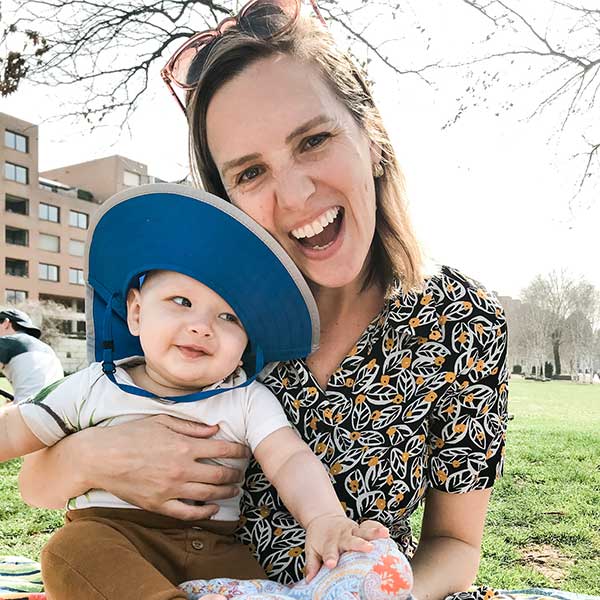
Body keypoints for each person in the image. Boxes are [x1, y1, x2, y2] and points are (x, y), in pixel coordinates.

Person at [18, 2, 509, 600]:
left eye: (314, 140)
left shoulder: (461, 319)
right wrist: (93, 459)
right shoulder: (200, 310)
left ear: (372, 138)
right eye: (250, 173)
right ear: (225, 197)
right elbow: (37, 485)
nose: (295, 195)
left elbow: (456, 544)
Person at [0, 184, 395, 600]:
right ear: (136, 312)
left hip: (215, 546)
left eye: (229, 317)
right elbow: (14, 430)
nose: (202, 326)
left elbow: (290, 459)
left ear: (248, 341)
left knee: (263, 589)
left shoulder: (245, 397)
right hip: (113, 533)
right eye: (181, 301)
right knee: (70, 551)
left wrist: (324, 518)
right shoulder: (95, 384)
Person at [0, 308, 64, 403]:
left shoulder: (7, 342)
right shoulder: (48, 349)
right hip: (57, 408)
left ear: (6, 323)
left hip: (30, 407)